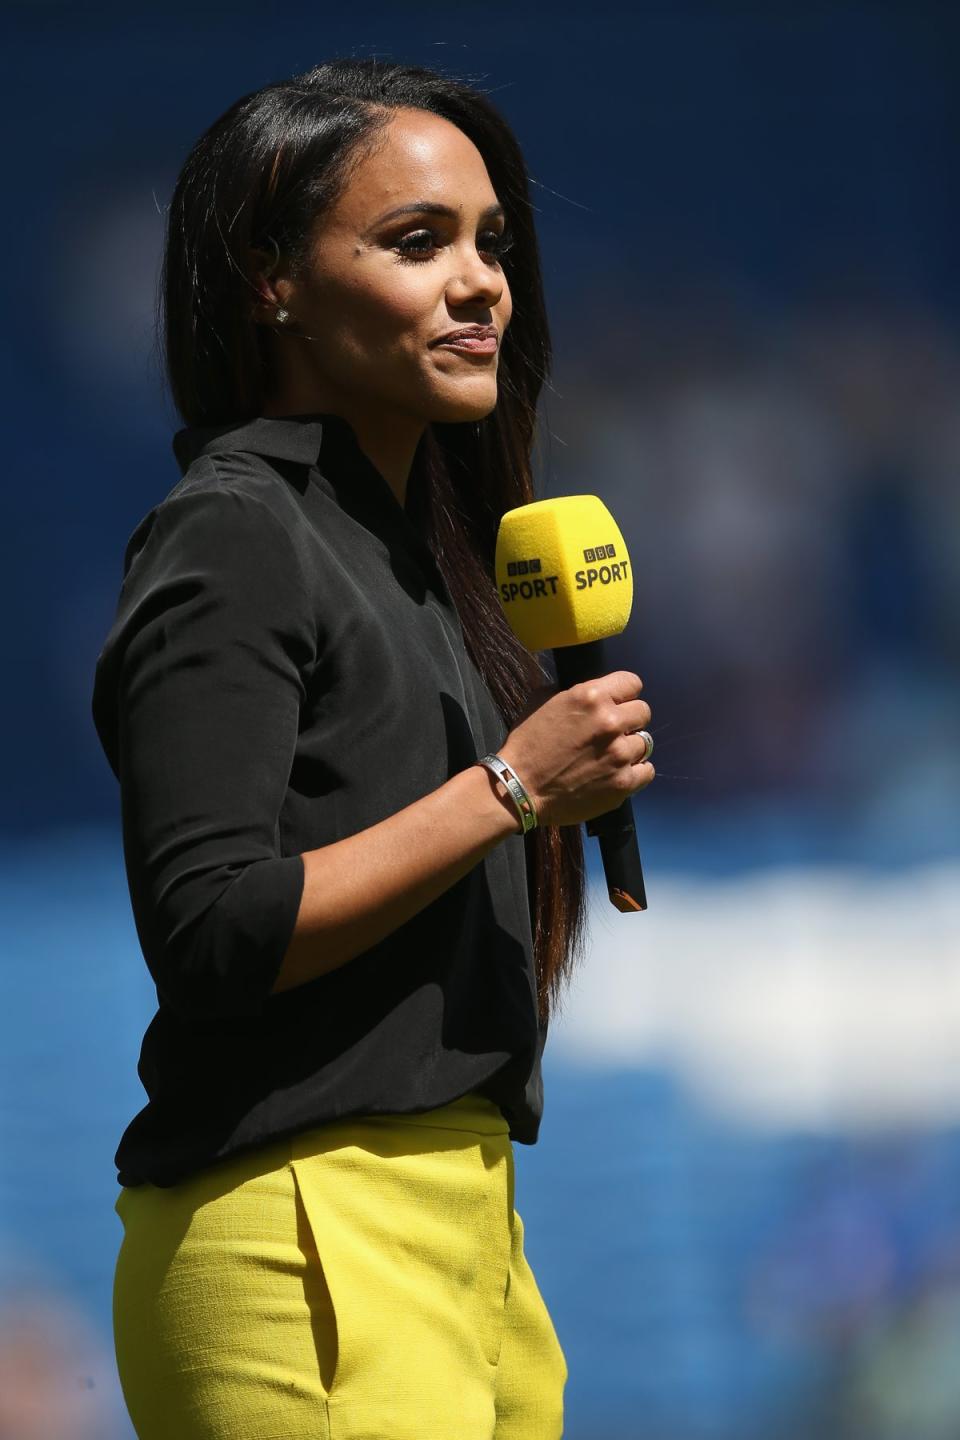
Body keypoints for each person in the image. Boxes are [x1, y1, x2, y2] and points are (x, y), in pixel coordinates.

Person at [91, 57, 656, 1440]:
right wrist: (515, 788)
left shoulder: (421, 562)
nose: (480, 283)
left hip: (472, 1232)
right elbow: (214, 930)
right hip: (307, 1232)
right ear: (272, 278)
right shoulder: (234, 531)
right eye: (417, 242)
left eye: (492, 244)